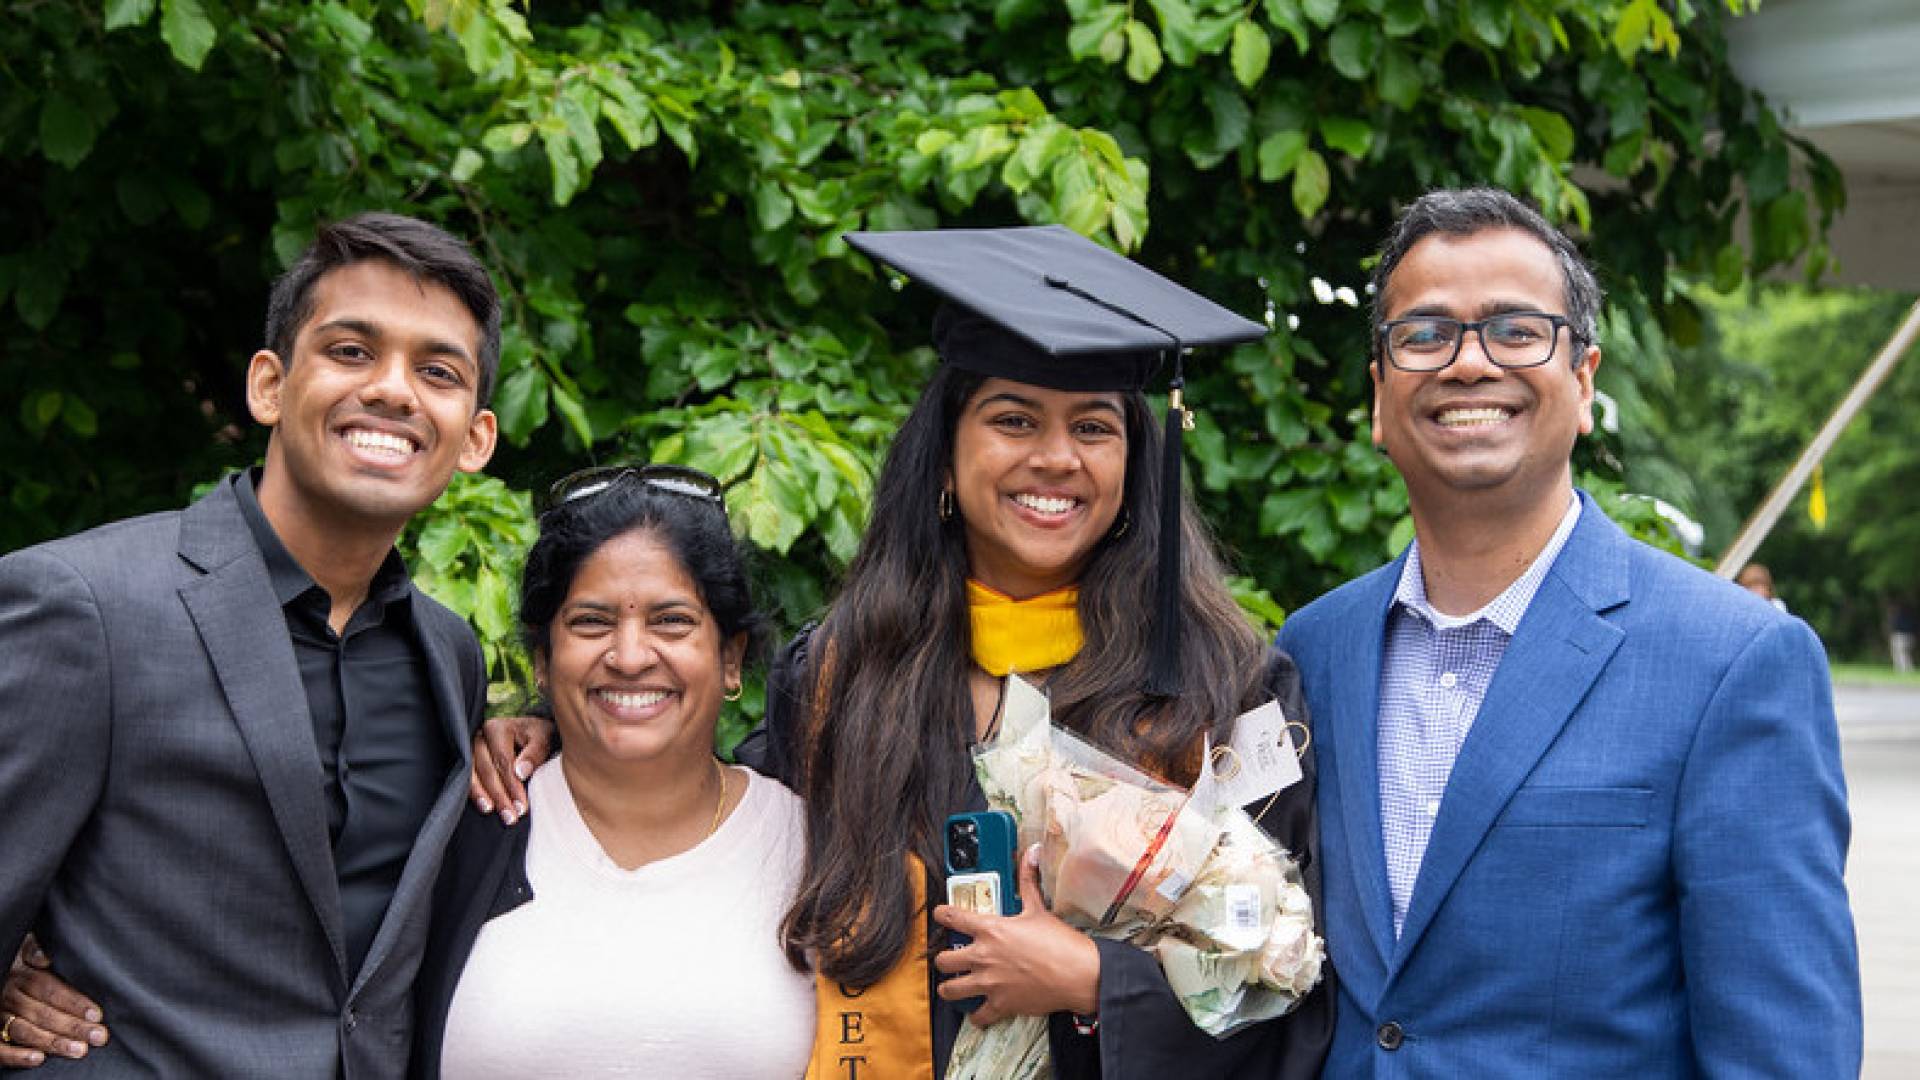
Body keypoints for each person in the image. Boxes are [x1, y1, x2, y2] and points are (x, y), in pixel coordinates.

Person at [475, 225, 1333, 1078]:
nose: (1056, 457)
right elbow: (722, 819)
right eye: (1013, 419)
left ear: (1135, 462)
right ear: (946, 460)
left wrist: (1093, 982)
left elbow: (1292, 981)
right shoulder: (844, 677)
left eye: (1095, 428)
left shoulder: (1224, 688)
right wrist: (560, 737)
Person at [1277, 188, 1860, 1074]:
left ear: (1583, 383)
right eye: (1425, 334)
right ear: (1379, 397)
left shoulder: (1733, 663)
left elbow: (1784, 1055)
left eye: (1515, 329)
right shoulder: (1316, 648)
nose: (1469, 363)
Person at [0, 212, 500, 1076]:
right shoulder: (85, 606)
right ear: (269, 384)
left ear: (475, 438)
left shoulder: (450, 657)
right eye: (351, 351)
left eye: (438, 371)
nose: (392, 389)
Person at [412, 464, 814, 1078]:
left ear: (731, 658)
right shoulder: (461, 834)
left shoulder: (818, 853)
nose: (629, 656)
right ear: (543, 660)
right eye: (591, 622)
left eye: (671, 621)